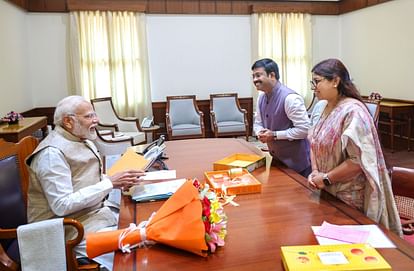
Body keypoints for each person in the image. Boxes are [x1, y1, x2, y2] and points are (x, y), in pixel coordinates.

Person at [26, 95, 145, 270]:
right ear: (68, 121)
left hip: (91, 218)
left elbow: (82, 180)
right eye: (89, 116)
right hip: (67, 232)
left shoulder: (79, 138)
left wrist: (118, 180)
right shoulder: (51, 154)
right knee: (138, 250)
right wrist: (109, 183)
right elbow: (62, 205)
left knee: (145, 226)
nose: (96, 120)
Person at [307, 58, 402, 235]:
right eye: (312, 82)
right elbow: (314, 140)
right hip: (326, 189)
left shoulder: (353, 111)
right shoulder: (322, 107)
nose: (313, 87)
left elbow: (358, 160)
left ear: (335, 81)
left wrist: (326, 178)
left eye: (317, 81)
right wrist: (315, 172)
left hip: (348, 196)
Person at [252, 58, 311, 177]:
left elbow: (305, 130)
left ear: (272, 75)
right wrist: (260, 132)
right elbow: (258, 122)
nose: (255, 80)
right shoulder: (261, 98)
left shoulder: (290, 98)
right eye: (253, 76)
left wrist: (274, 135)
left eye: (258, 75)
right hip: (276, 160)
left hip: (298, 164)